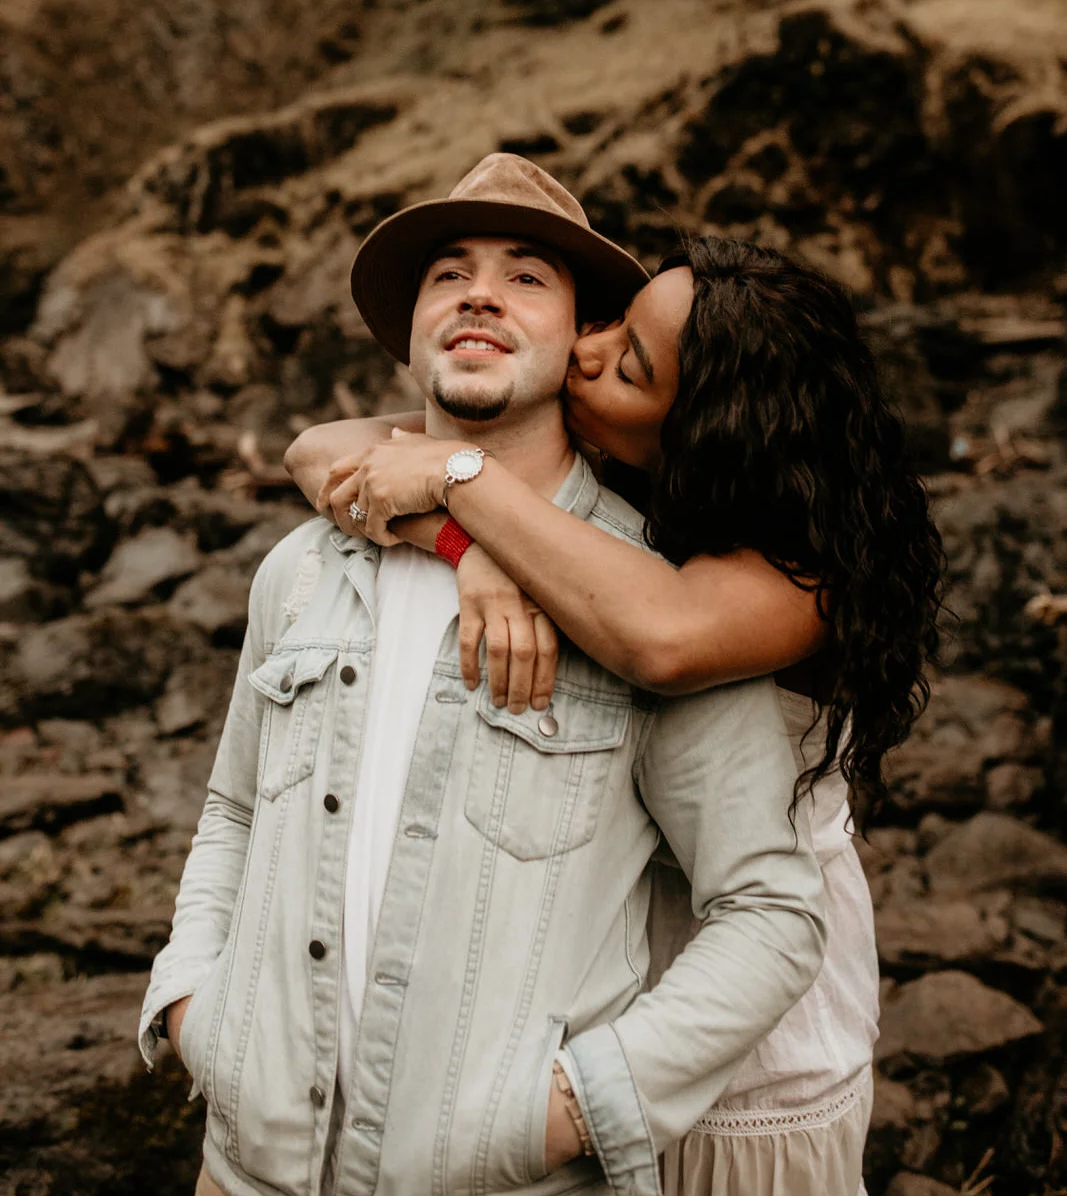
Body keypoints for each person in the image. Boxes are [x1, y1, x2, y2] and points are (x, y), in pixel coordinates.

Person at [140, 153, 827, 1196]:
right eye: (447, 272)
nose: (477, 293)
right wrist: (197, 1008)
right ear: (408, 328)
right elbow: (232, 815)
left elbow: (769, 911)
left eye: (525, 277)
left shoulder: (653, 590)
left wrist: (570, 1106)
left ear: (577, 339)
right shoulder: (299, 570)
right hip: (247, 1169)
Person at [287, 192, 944, 1196]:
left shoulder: (797, 577)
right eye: (605, 327)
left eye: (629, 365)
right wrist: (466, 547)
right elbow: (325, 450)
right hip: (596, 989)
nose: (587, 355)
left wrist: (460, 479)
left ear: (703, 431)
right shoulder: (626, 481)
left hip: (749, 1028)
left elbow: (656, 636)